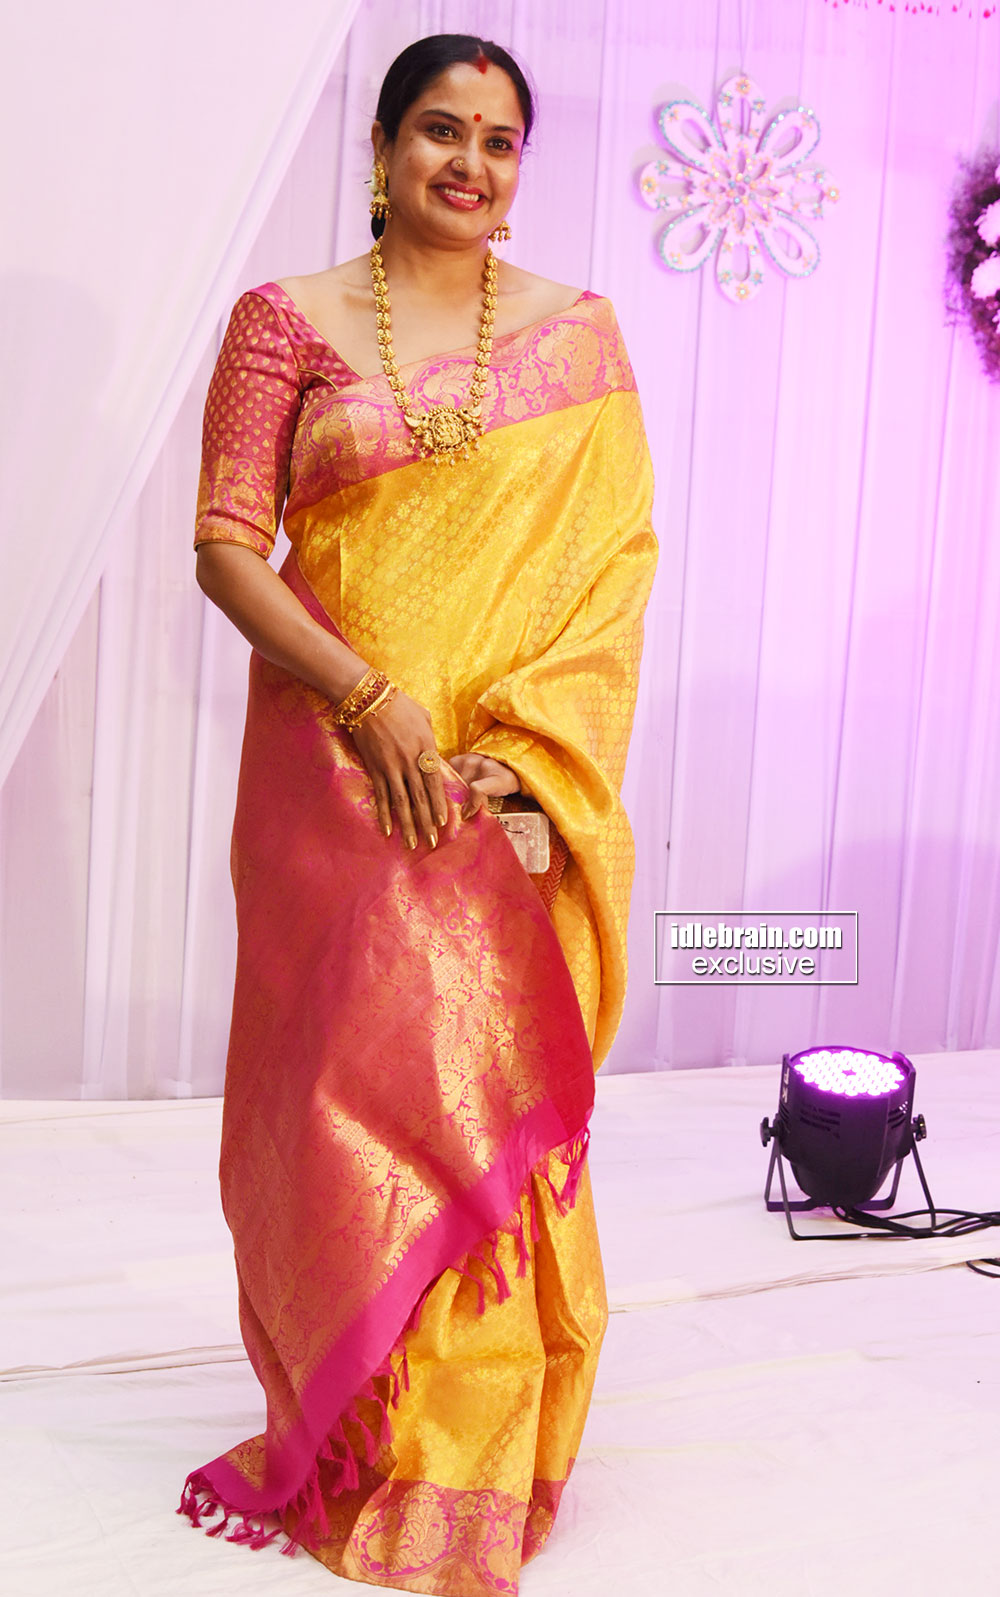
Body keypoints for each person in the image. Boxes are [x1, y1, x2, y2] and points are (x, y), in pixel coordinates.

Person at [178, 32, 657, 1596]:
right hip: (331, 771)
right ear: (382, 148)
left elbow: (611, 574)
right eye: (440, 130)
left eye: (499, 140)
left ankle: (466, 1450)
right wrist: (366, 698)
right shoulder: (286, 322)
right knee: (342, 1094)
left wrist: (520, 760)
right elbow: (227, 545)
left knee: (473, 1092)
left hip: (496, 780)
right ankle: (351, 1416)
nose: (469, 161)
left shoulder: (582, 339)